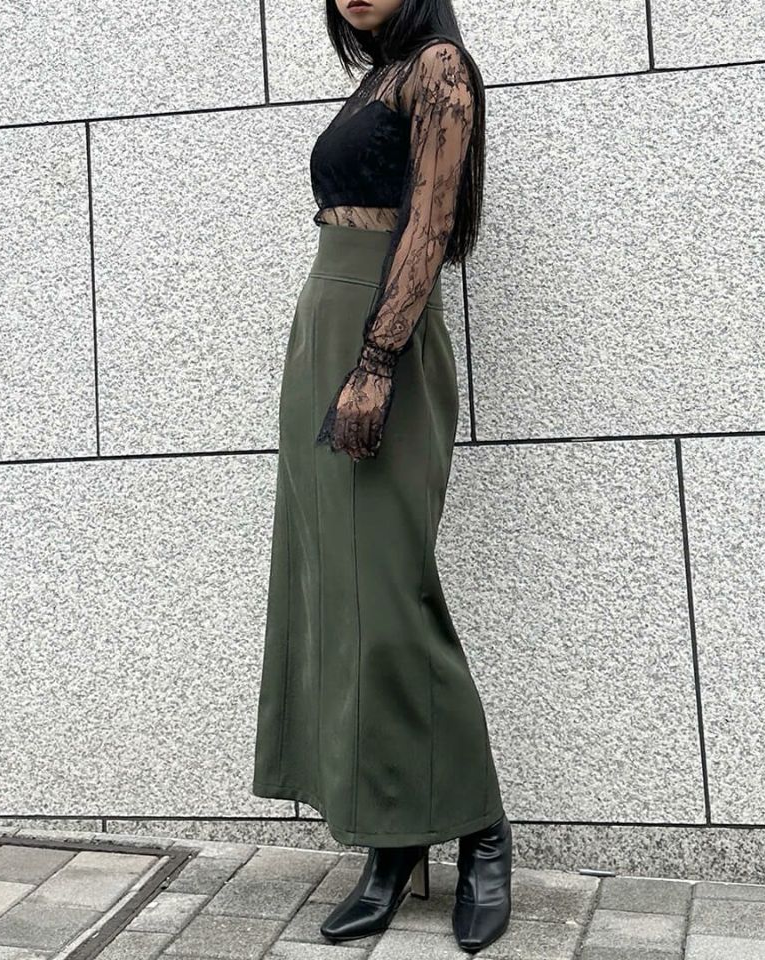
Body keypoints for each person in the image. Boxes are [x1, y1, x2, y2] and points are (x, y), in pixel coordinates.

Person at [251, 0, 512, 952]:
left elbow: (431, 223)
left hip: (378, 340)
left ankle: (483, 832)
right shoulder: (379, 78)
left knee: (390, 599)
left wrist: (374, 361)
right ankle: (393, 840)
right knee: (340, 597)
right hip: (325, 326)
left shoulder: (439, 67)